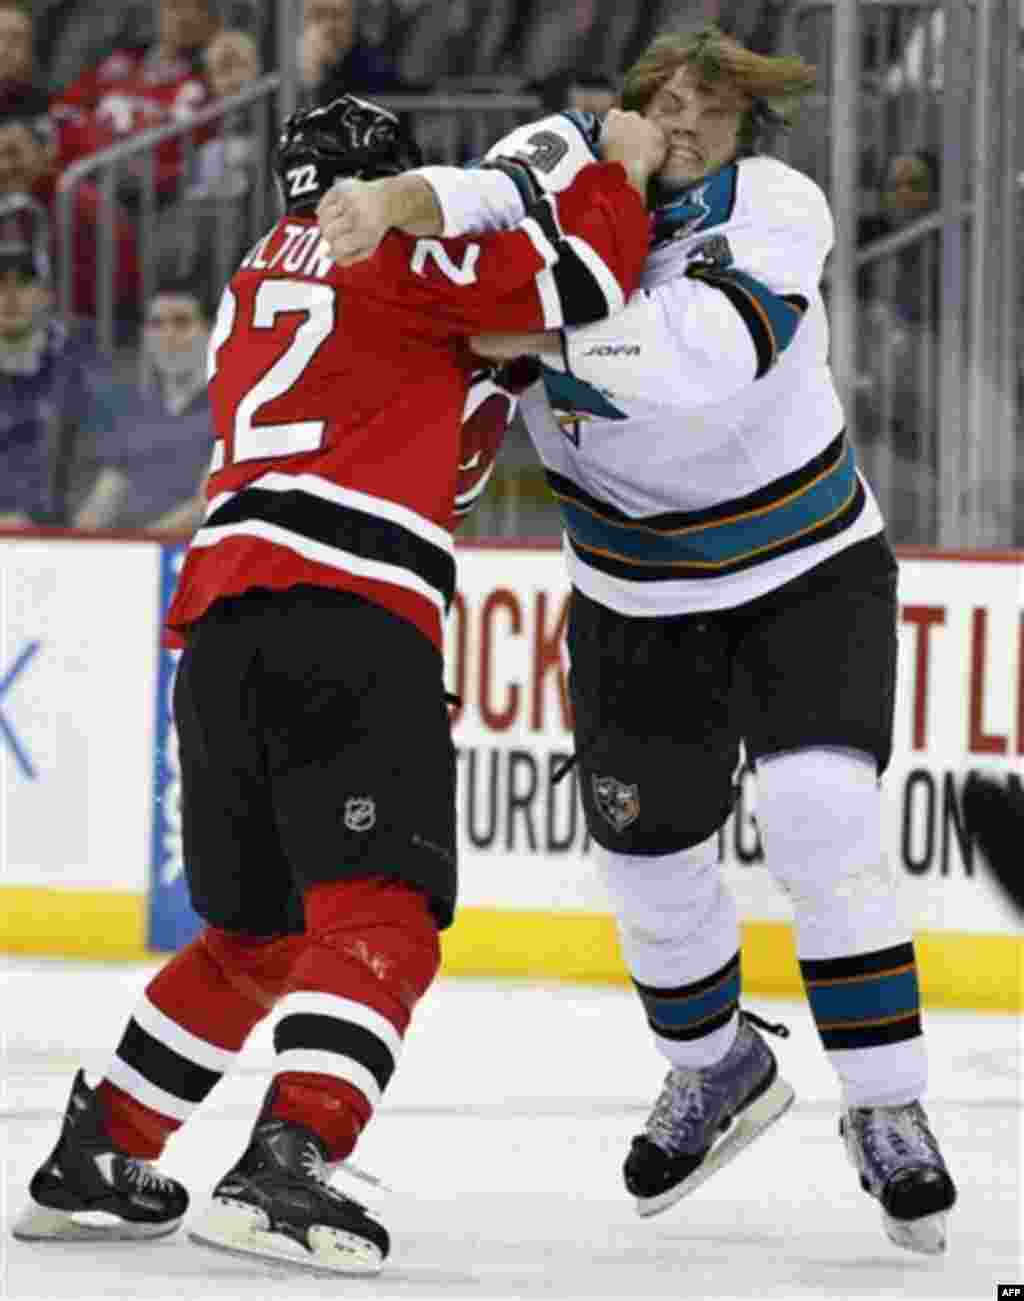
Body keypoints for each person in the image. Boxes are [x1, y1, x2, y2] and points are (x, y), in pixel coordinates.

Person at [317, 22, 959, 1257]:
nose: (678, 123)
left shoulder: (777, 206)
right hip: (630, 593)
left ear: (742, 129)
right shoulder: (561, 160)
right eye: (659, 99)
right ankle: (712, 1065)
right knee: (648, 860)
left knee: (823, 817)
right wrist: (383, 201)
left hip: (804, 570)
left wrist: (537, 342)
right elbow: (474, 194)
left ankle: (887, 1106)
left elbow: (705, 359)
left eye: (706, 110)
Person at [13, 93, 664, 1276]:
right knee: (384, 912)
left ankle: (102, 1143)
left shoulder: (257, 276)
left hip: (221, 618)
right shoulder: (397, 242)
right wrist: (614, 171)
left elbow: (425, 369)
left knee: (253, 930)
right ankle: (292, 1153)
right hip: (350, 607)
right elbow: (582, 286)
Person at [73, 278, 216, 533]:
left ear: (210, 331)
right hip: (134, 555)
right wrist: (77, 542)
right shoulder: (134, 412)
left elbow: (207, 505)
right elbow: (105, 498)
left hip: (191, 560)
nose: (168, 335)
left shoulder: (231, 410)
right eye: (157, 324)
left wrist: (141, 546)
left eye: (182, 322)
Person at [0, 88, 142, 322]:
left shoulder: (81, 204)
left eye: (13, 154)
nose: (4, 166)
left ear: (45, 152)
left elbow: (109, 292)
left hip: (89, 332)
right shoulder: (14, 206)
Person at [0, 234, 112, 526]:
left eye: (24, 283)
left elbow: (110, 465)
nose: (11, 296)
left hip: (55, 540)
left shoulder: (78, 371)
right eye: (0, 283)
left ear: (46, 295)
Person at [298, 0, 406, 103]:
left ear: (354, 19)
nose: (329, 26)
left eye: (337, 16)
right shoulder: (288, 63)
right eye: (319, 15)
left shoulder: (375, 67)